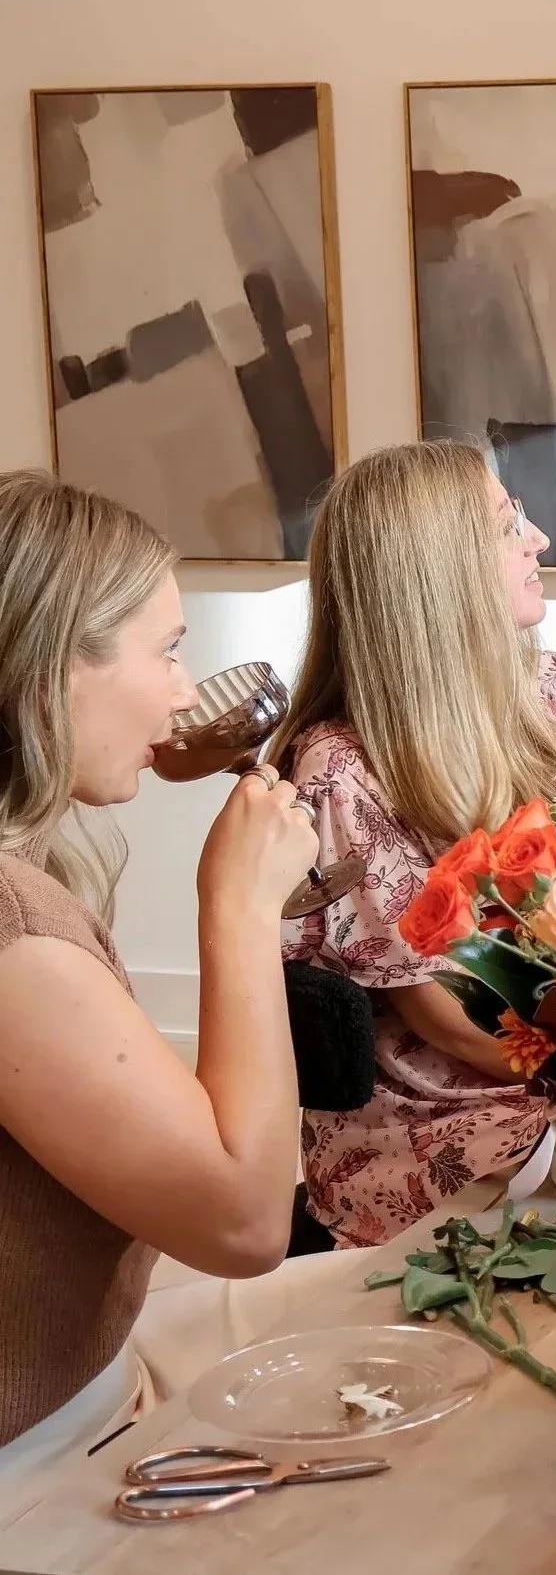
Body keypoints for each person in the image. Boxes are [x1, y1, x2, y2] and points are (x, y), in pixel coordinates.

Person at [0, 475, 317, 1473]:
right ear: (53, 668)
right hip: (43, 1449)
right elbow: (246, 1217)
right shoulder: (14, 935)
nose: (185, 691)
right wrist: (239, 908)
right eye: (168, 650)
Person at [274, 440, 556, 1249]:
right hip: (453, 1115)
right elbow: (442, 1018)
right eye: (505, 522)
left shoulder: (549, 686)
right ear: (436, 569)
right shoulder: (338, 771)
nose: (538, 539)